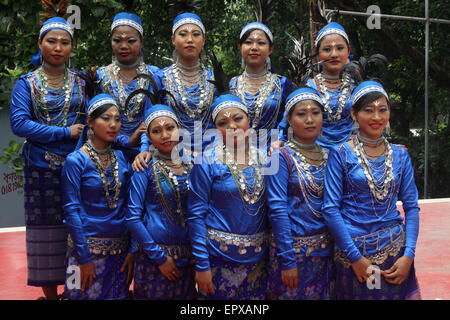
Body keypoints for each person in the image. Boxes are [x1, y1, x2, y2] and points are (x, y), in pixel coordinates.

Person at [10, 9, 88, 299]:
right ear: (40, 44)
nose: (58, 48)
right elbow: (19, 124)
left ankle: (74, 291)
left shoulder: (82, 82)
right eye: (51, 41)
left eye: (64, 42)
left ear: (71, 47)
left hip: (78, 167)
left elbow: (94, 120)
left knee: (77, 230)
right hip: (40, 167)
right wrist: (63, 133)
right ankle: (51, 296)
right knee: (46, 233)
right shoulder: (26, 83)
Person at [322, 80, 421, 300]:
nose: (377, 117)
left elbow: (412, 207)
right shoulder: (340, 153)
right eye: (368, 110)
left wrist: (409, 256)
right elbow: (330, 209)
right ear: (354, 114)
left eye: (382, 110)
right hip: (355, 254)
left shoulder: (400, 154)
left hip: (396, 252)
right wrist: (356, 259)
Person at [187, 94, 268, 300]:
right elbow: (196, 215)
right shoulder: (206, 161)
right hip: (217, 258)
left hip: (258, 259)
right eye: (223, 123)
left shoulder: (266, 159)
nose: (232, 126)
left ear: (249, 120)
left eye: (238, 119)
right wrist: (202, 265)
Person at [61, 94, 135, 300]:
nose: (113, 124)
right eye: (106, 118)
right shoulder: (75, 161)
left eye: (118, 119)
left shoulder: (122, 158)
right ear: (90, 122)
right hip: (83, 252)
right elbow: (71, 210)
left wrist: (132, 250)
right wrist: (83, 258)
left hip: (119, 253)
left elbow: (131, 206)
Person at [265, 87, 335, 300]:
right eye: (301, 114)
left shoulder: (331, 155)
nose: (310, 119)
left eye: (315, 113)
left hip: (326, 254)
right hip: (292, 255)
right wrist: (288, 260)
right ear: (288, 118)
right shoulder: (278, 157)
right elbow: (277, 210)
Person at [125, 104, 196, 300]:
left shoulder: (194, 164)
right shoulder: (144, 167)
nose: (165, 135)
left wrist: (200, 251)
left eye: (170, 128)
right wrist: (159, 258)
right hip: (154, 260)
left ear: (179, 129)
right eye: (156, 131)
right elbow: (132, 218)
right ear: (148, 136)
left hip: (189, 259)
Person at [134, 12, 216, 171]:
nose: (190, 39)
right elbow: (149, 120)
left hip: (210, 155)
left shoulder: (214, 78)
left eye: (196, 34)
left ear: (203, 40)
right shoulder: (160, 78)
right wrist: (145, 149)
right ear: (173, 39)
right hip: (171, 156)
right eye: (183, 34)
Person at [96, 12, 162, 163]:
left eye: (131, 40)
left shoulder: (154, 75)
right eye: (117, 40)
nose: (124, 46)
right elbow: (95, 120)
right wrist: (126, 141)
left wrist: (144, 148)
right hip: (107, 150)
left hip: (147, 151)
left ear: (141, 42)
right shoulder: (100, 77)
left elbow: (152, 116)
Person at [278, 22, 354, 149]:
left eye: (340, 48)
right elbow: (285, 122)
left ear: (348, 51)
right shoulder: (307, 87)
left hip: (352, 156)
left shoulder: (357, 87)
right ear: (318, 55)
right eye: (327, 49)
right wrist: (277, 141)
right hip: (314, 155)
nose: (334, 54)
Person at [230, 22, 293, 152]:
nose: (254, 47)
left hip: (272, 154)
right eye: (248, 42)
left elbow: (291, 117)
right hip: (237, 155)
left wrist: (280, 140)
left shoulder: (282, 84)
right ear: (240, 47)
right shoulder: (232, 84)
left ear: (271, 49)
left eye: (261, 43)